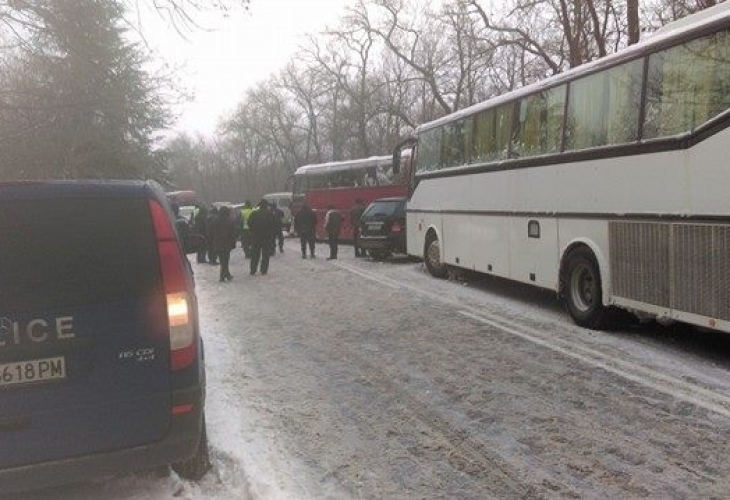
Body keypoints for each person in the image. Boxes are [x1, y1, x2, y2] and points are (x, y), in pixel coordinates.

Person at [248, 199, 275, 275]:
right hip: (267, 237)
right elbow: (274, 225)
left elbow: (249, 223)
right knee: (266, 254)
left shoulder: (254, 214)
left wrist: (252, 231)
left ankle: (253, 270)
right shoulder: (270, 214)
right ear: (266, 206)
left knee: (255, 254)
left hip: (256, 237)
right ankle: (264, 270)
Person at [208, 205, 236, 282]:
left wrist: (211, 241)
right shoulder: (230, 221)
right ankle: (223, 276)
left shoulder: (214, 220)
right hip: (227, 243)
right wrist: (233, 243)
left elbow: (210, 232)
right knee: (225, 260)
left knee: (222, 260)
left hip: (217, 243)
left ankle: (226, 275)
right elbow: (233, 233)